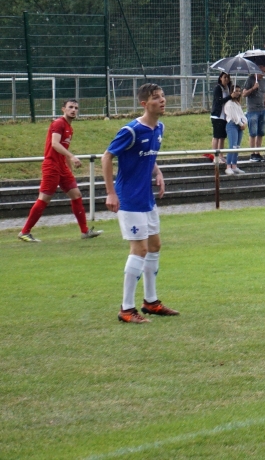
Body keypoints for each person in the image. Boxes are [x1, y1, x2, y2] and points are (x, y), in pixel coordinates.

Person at [102, 83, 177, 324]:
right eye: (156, 98)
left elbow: (148, 157)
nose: (162, 100)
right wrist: (111, 193)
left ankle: (151, 302)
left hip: (146, 198)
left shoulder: (159, 128)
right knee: (140, 250)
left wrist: (158, 172)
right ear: (144, 104)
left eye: (163, 96)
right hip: (129, 199)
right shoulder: (131, 130)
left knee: (154, 246)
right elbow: (107, 157)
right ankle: (126, 309)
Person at [18, 99, 103, 243]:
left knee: (76, 195)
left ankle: (85, 231)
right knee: (44, 198)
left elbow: (63, 150)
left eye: (76, 108)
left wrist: (68, 169)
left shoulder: (70, 128)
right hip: (51, 166)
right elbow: (55, 144)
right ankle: (24, 232)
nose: (73, 110)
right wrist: (72, 157)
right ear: (63, 109)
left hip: (61, 166)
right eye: (70, 107)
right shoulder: (58, 124)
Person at [244, 65, 265, 162]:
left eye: (264, 72)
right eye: (261, 71)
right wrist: (253, 88)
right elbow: (244, 93)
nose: (263, 74)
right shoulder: (250, 79)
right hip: (252, 110)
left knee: (260, 132)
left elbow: (264, 93)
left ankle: (258, 152)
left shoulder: (264, 81)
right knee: (253, 132)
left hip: (262, 109)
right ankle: (252, 153)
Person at [224, 86, 247, 175]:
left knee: (237, 146)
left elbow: (241, 115)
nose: (238, 93)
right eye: (235, 91)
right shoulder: (229, 103)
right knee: (232, 146)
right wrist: (241, 124)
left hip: (239, 126)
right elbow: (234, 117)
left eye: (239, 91)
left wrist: (244, 123)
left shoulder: (237, 103)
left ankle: (234, 165)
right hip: (232, 125)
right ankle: (228, 166)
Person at [210, 73, 233, 162]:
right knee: (217, 136)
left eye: (228, 77)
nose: (226, 79)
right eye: (224, 77)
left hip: (225, 116)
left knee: (222, 137)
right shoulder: (218, 88)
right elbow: (219, 101)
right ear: (220, 78)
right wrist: (229, 97)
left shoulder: (228, 88)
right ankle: (215, 156)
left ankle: (221, 155)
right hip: (217, 116)